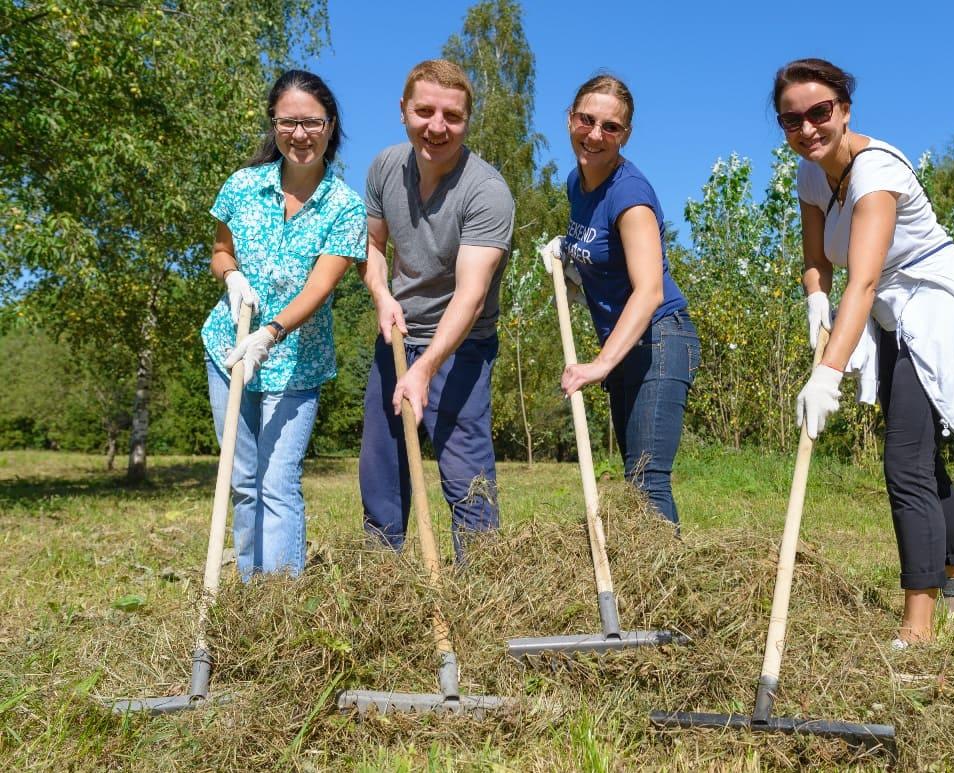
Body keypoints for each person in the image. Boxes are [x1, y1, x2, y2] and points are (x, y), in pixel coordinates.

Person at [775, 59, 954, 647]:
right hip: (887, 314)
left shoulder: (875, 172)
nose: (808, 128)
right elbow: (820, 262)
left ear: (845, 111)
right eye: (792, 119)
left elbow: (866, 281)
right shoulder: (809, 174)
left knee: (905, 462)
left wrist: (827, 375)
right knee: (921, 457)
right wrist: (813, 300)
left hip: (933, 306)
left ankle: (919, 629)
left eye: (820, 112)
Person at [203, 70, 367, 580]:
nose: (300, 134)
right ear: (273, 124)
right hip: (228, 350)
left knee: (277, 482)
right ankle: (250, 596)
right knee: (243, 480)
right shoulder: (242, 186)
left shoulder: (345, 207)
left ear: (330, 125)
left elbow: (319, 289)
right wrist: (231, 278)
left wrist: (269, 334)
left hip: (295, 362)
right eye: (288, 122)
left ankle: (280, 603)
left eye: (311, 122)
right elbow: (220, 249)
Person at [357, 60, 514, 557]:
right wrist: (383, 297)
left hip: (461, 345)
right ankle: (385, 585)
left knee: (465, 473)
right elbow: (373, 247)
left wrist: (425, 369)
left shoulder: (486, 192)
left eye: (452, 116)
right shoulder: (385, 166)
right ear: (403, 110)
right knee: (382, 469)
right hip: (398, 337)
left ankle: (480, 589)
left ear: (468, 120)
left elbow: (469, 297)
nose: (437, 127)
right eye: (424, 111)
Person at [542, 74, 700, 525]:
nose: (595, 135)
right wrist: (571, 265)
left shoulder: (630, 194)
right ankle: (643, 587)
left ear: (625, 135)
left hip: (660, 340)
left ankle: (667, 591)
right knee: (634, 482)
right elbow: (605, 262)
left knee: (647, 480)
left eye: (610, 127)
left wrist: (601, 364)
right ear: (569, 119)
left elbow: (648, 289)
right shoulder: (577, 183)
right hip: (626, 343)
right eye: (586, 120)